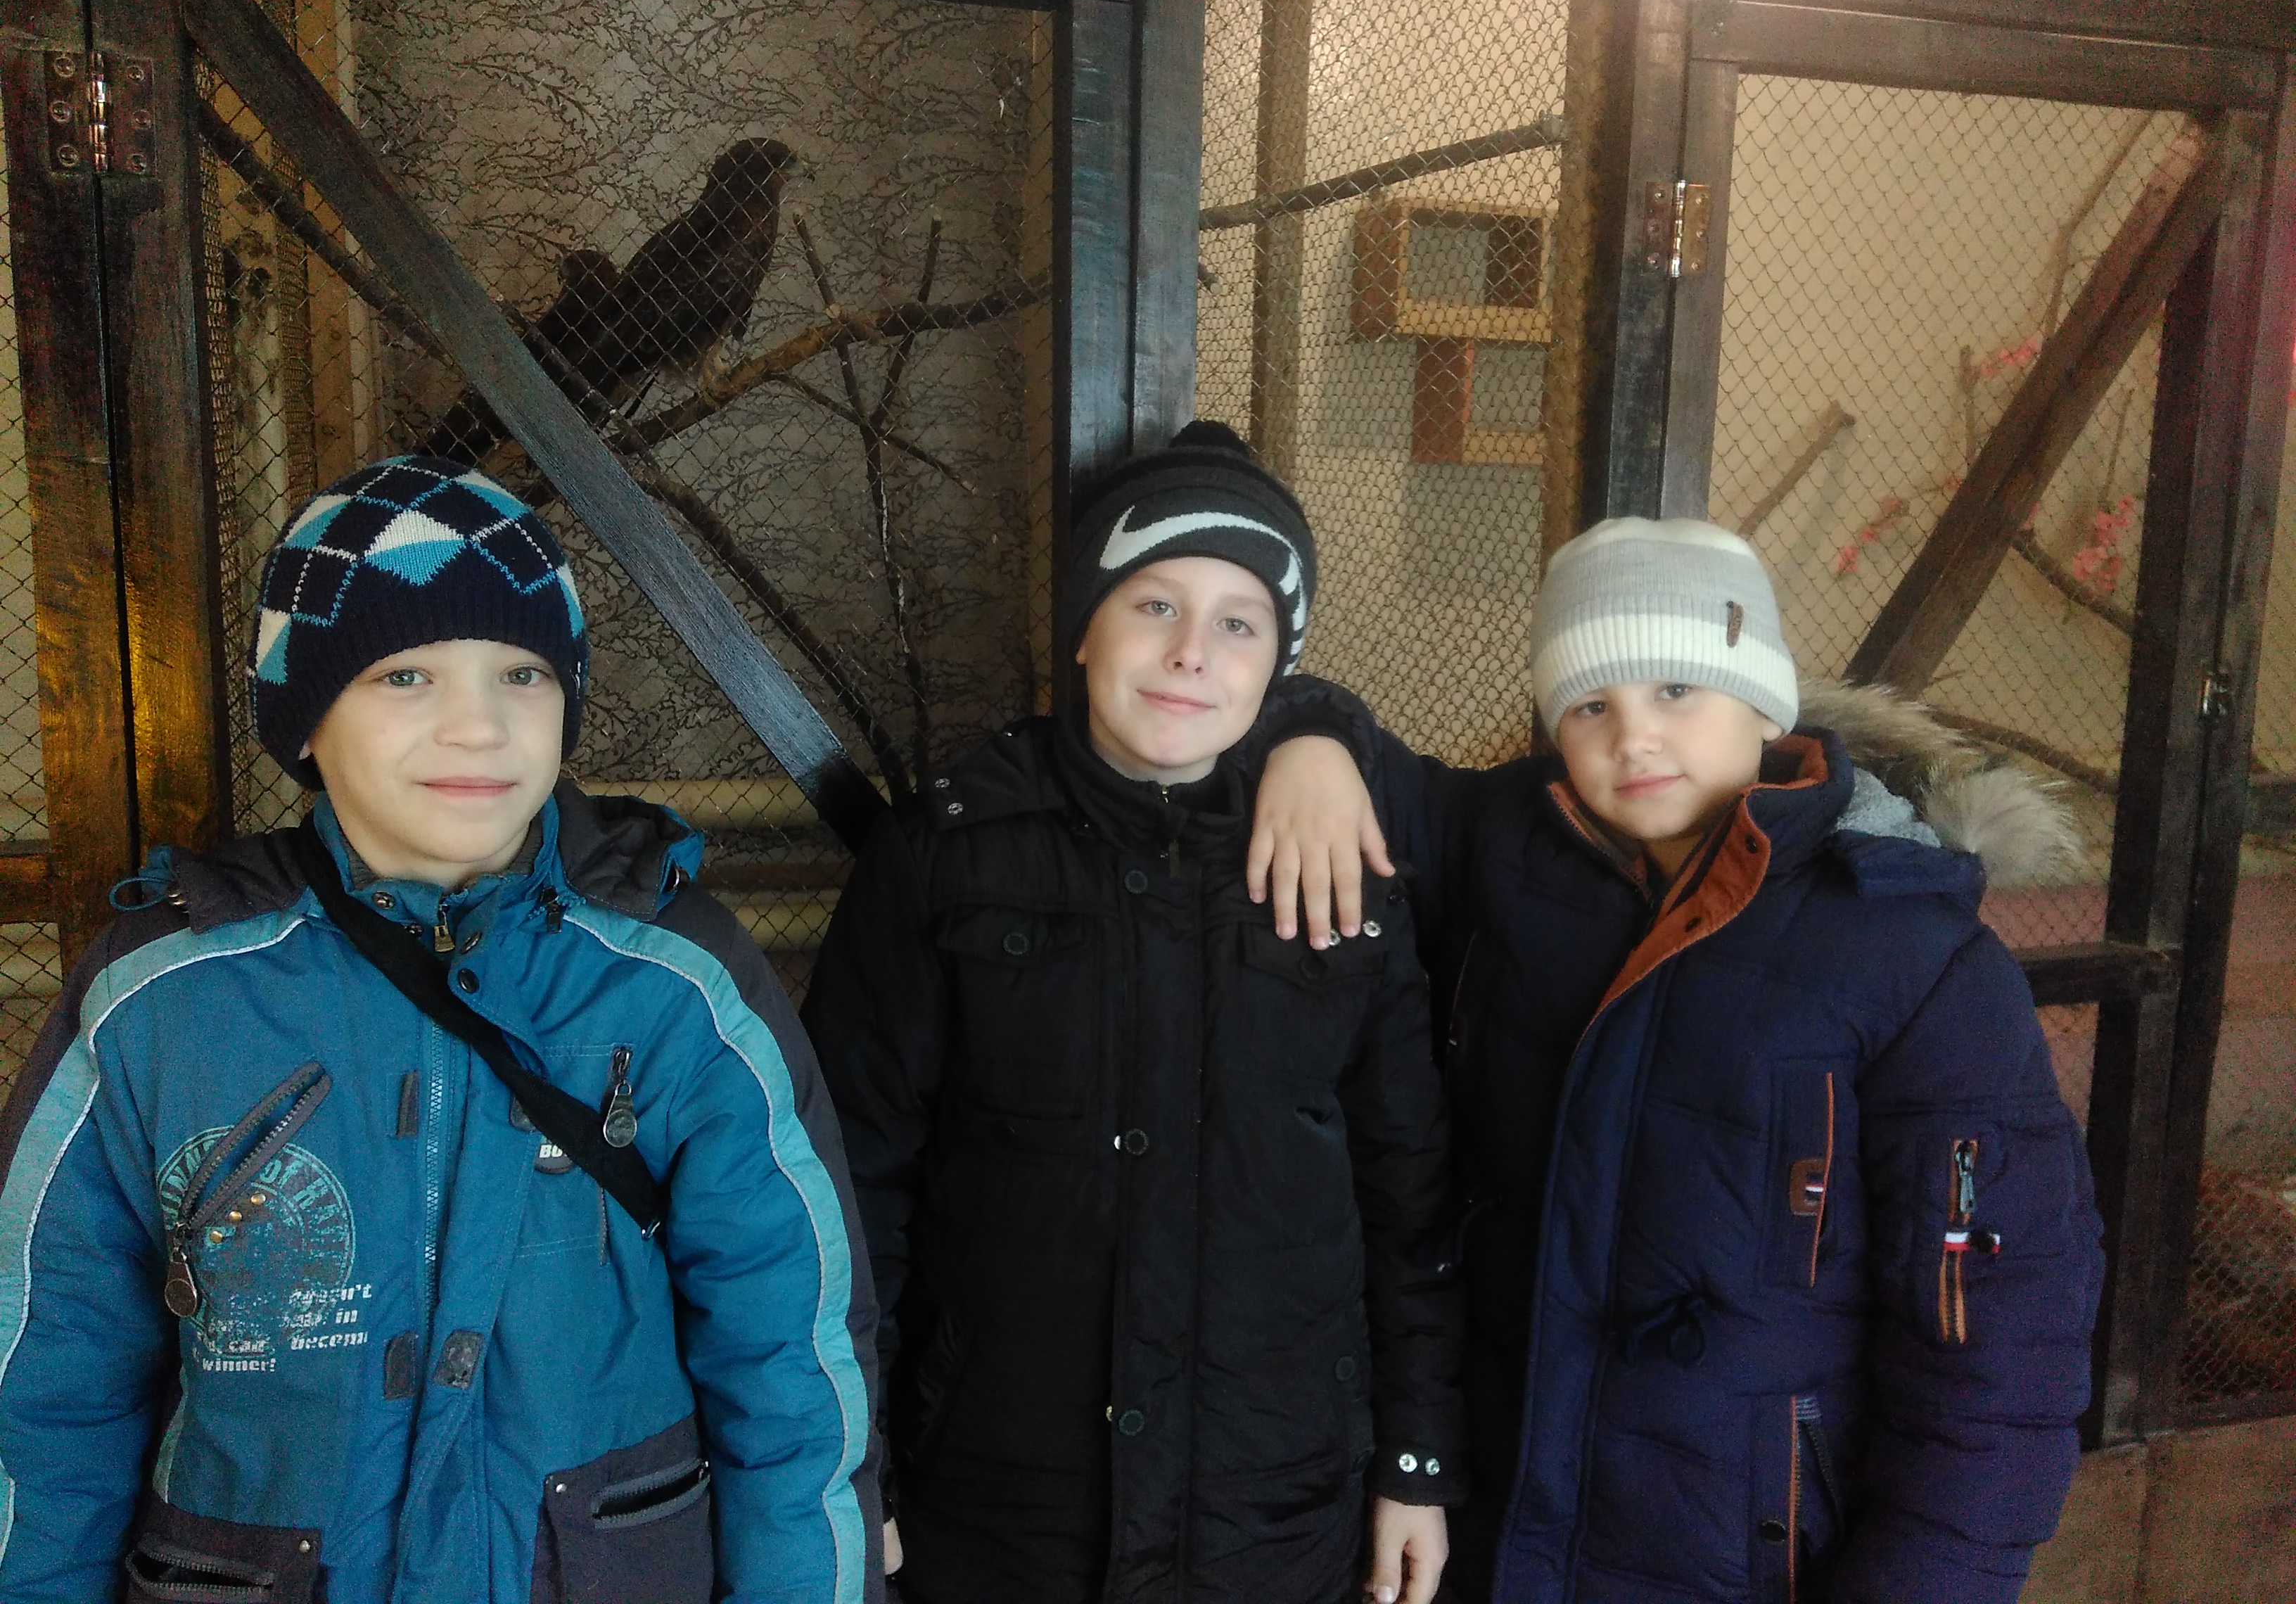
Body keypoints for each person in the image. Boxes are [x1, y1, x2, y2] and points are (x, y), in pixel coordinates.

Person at [0, 454, 881, 1604]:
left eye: (522, 673)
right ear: (306, 720)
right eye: (406, 675)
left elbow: (791, 1354)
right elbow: (47, 1375)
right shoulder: (162, 994)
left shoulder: (674, 980)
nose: (478, 726)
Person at [1247, 516, 2105, 1603]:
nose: (1634, 739)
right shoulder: (1506, 844)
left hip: (1750, 1556)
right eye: (1590, 705)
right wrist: (1311, 744)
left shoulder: (1911, 952)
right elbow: (1286, 715)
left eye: (1677, 691)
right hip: (1496, 1521)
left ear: (1764, 704)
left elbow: (1999, 1340)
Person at [803, 421, 1463, 1604]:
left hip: (1274, 1508)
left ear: (1279, 665)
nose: (1190, 653)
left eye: (1239, 623)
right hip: (1001, 1508)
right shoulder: (948, 856)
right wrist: (858, 1466)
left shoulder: (1344, 873)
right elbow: (853, 1188)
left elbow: (1407, 1193)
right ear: (1084, 626)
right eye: (1153, 604)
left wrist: (1416, 1460)